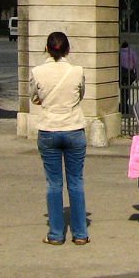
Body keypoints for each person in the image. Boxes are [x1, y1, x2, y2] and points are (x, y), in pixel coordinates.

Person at [28, 31, 89, 246]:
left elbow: (35, 97)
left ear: (46, 48)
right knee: (76, 182)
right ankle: (80, 233)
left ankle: (55, 233)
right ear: (67, 50)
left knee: (54, 183)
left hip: (49, 129)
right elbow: (81, 94)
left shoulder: (37, 71)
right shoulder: (77, 71)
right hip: (73, 128)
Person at [119, 41, 139, 114]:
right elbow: (136, 65)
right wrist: (137, 76)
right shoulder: (132, 52)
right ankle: (125, 104)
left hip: (121, 73)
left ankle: (123, 105)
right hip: (130, 74)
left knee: (122, 90)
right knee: (127, 89)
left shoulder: (119, 53)